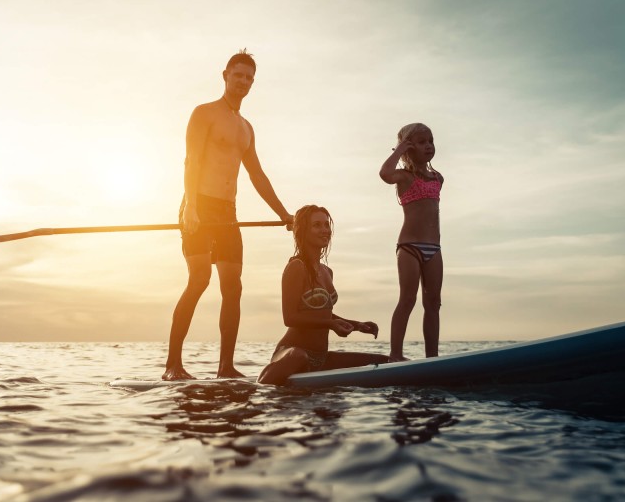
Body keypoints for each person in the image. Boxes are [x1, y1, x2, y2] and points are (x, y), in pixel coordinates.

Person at [163, 50, 294, 381]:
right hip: (198, 204)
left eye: (249, 77)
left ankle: (226, 367)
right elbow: (191, 161)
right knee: (199, 280)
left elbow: (257, 176)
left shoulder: (246, 128)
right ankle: (172, 366)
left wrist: (284, 214)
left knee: (232, 288)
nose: (244, 82)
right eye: (238, 75)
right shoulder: (204, 113)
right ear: (225, 75)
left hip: (227, 212)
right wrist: (191, 206)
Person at [258, 205, 388, 385]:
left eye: (327, 225)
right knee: (298, 356)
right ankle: (260, 388)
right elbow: (290, 318)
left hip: (321, 358)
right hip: (291, 353)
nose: (324, 230)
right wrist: (330, 324)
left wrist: (357, 325)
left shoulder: (327, 271)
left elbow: (323, 314)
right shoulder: (296, 267)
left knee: (384, 361)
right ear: (303, 231)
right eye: (317, 225)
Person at [379, 123, 443, 361]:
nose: (428, 145)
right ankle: (395, 355)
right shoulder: (403, 177)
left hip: (433, 249)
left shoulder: (438, 178)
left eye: (430, 141)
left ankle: (432, 358)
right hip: (409, 248)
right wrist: (399, 150)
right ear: (408, 147)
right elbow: (384, 173)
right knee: (408, 299)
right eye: (421, 142)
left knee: (433, 303)